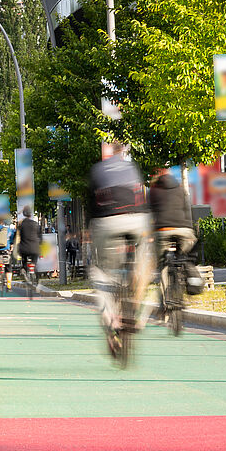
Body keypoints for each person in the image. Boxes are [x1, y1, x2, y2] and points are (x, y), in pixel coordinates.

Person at [87, 146, 153, 354]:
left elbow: (91, 206)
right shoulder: (132, 167)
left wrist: (88, 231)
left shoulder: (97, 170)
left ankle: (111, 321)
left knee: (101, 271)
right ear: (122, 152)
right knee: (144, 258)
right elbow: (143, 197)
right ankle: (136, 297)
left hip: (106, 223)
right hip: (137, 220)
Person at [148, 166, 195, 259]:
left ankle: (163, 267)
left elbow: (149, 212)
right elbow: (187, 209)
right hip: (184, 229)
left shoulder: (153, 190)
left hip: (163, 230)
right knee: (186, 257)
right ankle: (187, 267)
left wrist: (149, 232)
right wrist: (190, 228)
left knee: (161, 259)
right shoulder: (180, 188)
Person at [15, 205, 43, 282]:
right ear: (31, 214)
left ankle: (24, 269)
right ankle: (33, 266)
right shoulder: (36, 224)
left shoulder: (21, 225)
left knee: (24, 259)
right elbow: (40, 238)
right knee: (34, 260)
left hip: (24, 248)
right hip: (34, 248)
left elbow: (17, 236)